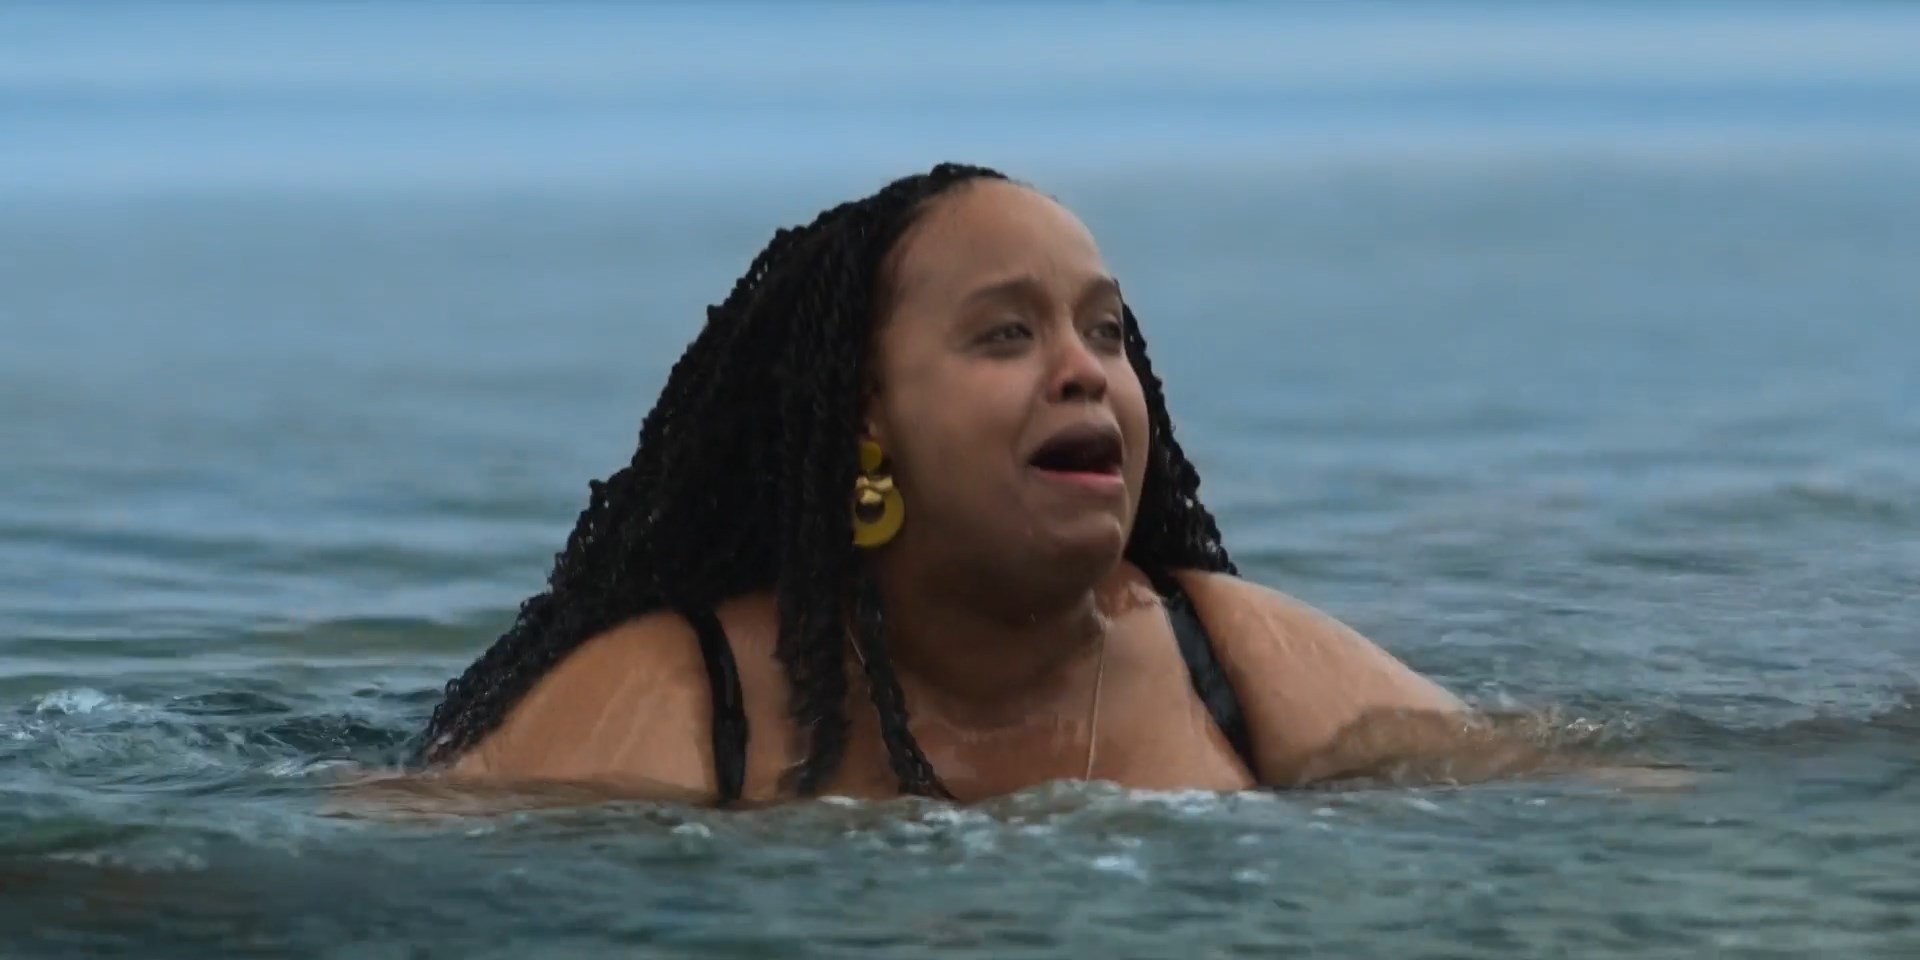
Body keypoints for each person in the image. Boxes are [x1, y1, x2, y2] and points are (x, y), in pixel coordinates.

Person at [414, 163, 1472, 807]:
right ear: (864, 416)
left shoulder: (1240, 664)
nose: (1086, 370)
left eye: (1106, 330)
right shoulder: (687, 699)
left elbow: (1547, 798)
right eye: (1006, 334)